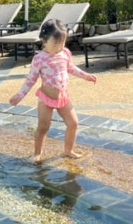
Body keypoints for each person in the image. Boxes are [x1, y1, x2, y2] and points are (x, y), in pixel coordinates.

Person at [9, 18, 97, 162]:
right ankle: (37, 153)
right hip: (46, 98)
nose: (59, 47)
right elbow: (31, 79)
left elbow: (71, 68)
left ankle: (68, 150)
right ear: (44, 40)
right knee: (43, 127)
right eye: (56, 44)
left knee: (73, 123)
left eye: (62, 43)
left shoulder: (65, 53)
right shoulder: (39, 59)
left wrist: (86, 76)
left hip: (63, 96)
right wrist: (20, 95)